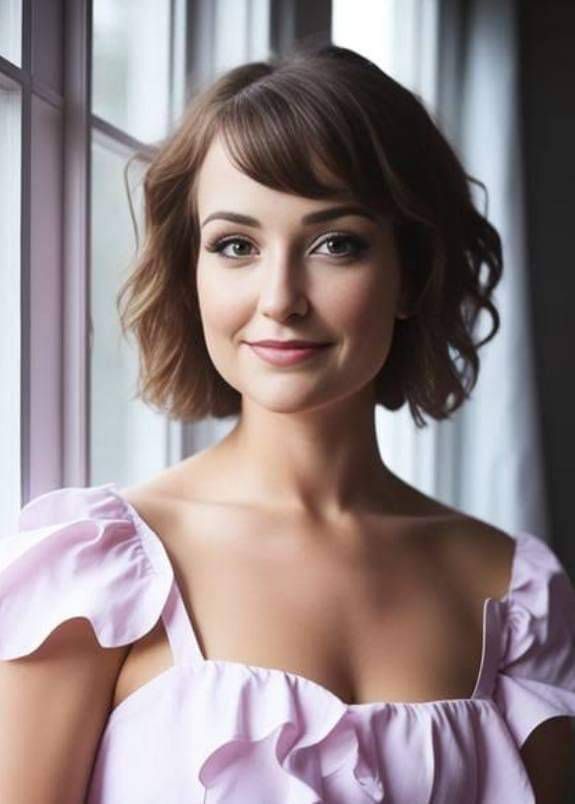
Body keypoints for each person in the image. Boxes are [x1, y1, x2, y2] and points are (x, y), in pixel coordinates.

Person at [1, 43, 574, 804]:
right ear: (191, 272)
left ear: (410, 270)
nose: (280, 298)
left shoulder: (513, 590)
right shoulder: (93, 570)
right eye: (235, 245)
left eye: (336, 243)